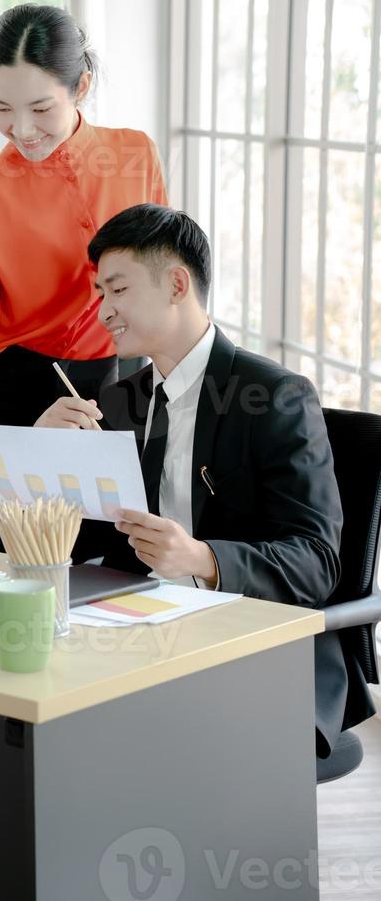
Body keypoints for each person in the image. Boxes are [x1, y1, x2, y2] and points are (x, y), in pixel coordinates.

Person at [36, 202, 375, 759]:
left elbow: (316, 561)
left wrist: (203, 559)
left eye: (116, 291)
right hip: (141, 627)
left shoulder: (273, 396)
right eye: (100, 294)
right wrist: (49, 458)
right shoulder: (121, 398)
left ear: (175, 284)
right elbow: (91, 541)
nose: (103, 312)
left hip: (249, 639)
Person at [0, 3, 166, 548]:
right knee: (25, 562)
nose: (20, 130)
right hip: (21, 393)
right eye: (1, 108)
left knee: (122, 559)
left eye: (40, 108)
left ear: (82, 86)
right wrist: (15, 442)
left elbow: (165, 280)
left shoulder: (136, 155)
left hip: (123, 379)